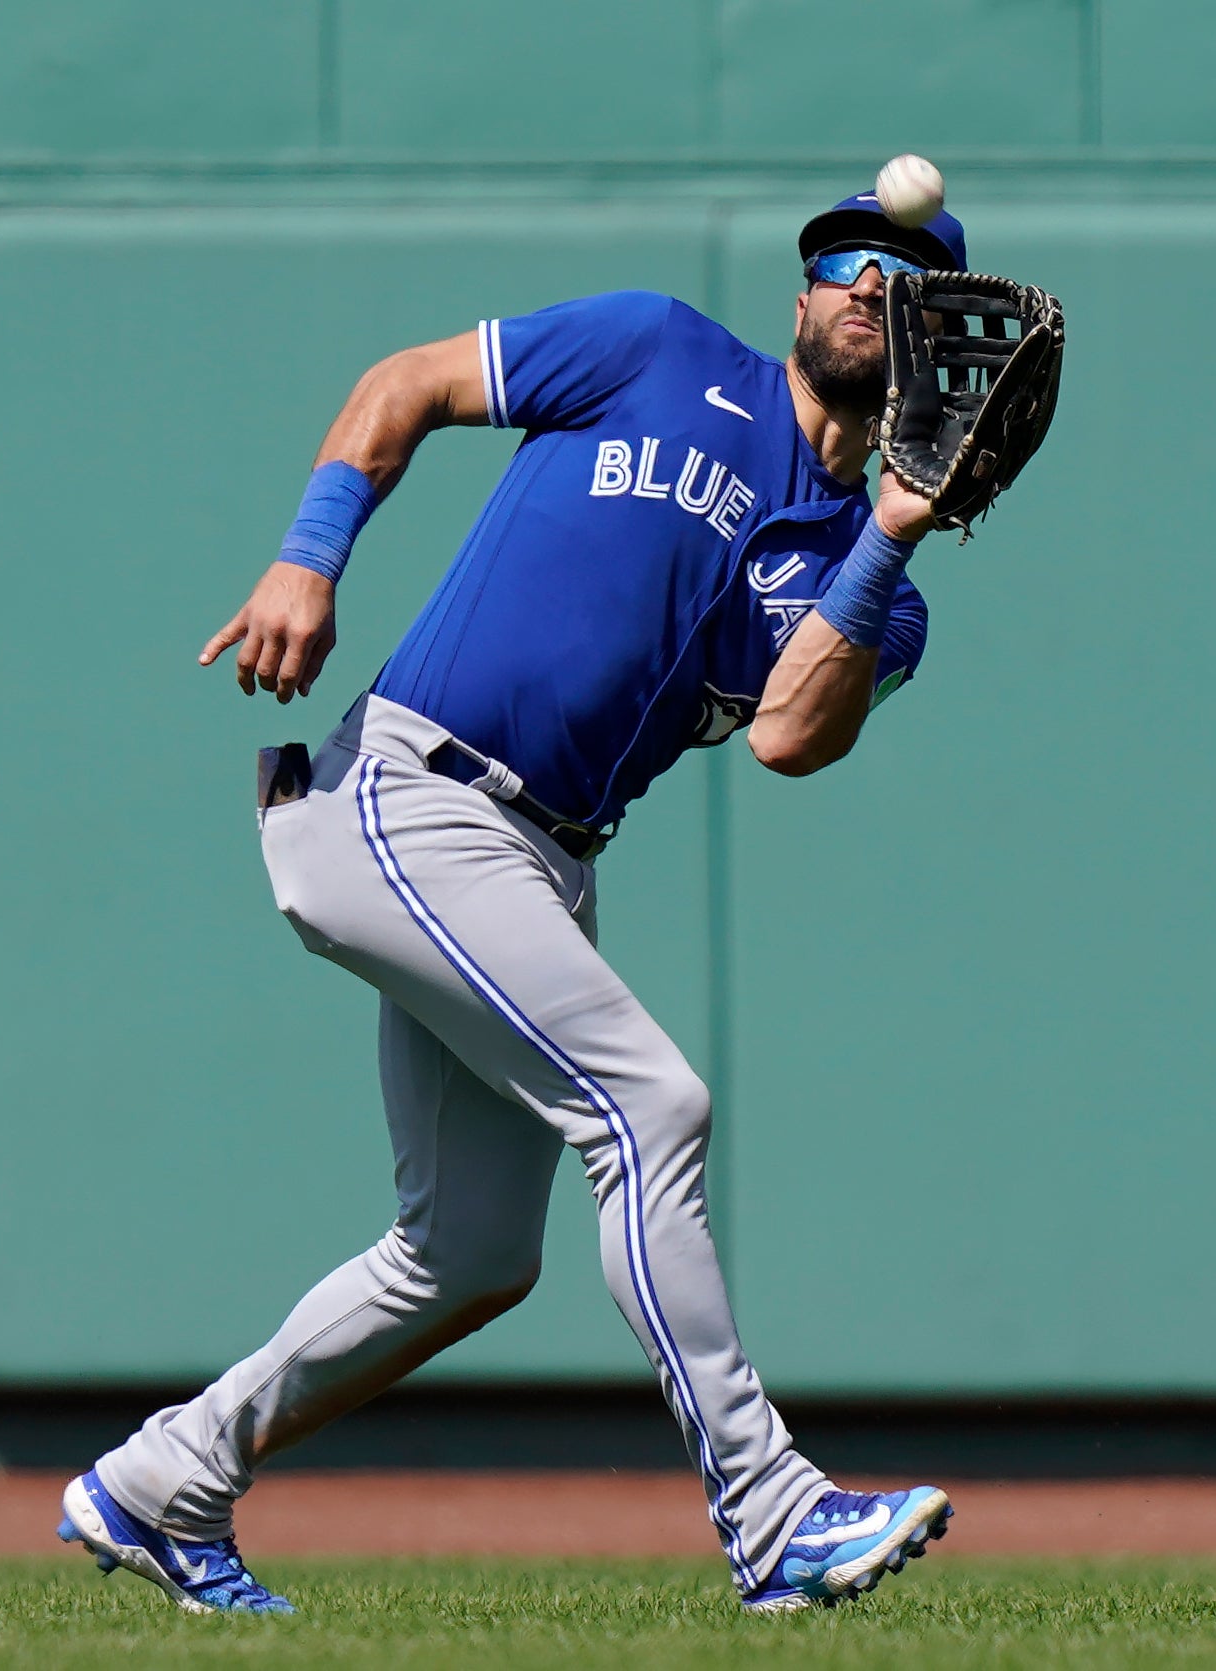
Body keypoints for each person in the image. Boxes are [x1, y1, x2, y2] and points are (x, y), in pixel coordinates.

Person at [55, 190, 972, 1616]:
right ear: (802, 294)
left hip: (539, 860)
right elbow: (407, 384)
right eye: (846, 259)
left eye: (905, 277)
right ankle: (774, 1512)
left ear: (938, 346)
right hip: (407, 790)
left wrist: (894, 535)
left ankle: (164, 1480)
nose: (868, 282)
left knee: (468, 1253)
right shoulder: (657, 349)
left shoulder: (878, 584)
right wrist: (310, 550)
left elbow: (793, 738)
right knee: (653, 1109)